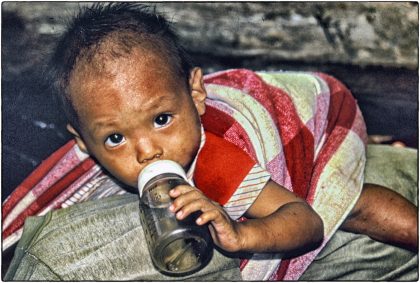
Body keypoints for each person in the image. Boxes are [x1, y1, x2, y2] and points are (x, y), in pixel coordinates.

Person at [4, 3, 418, 281]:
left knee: (345, 202)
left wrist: (241, 234)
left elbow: (306, 222)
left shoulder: (220, 163)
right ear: (83, 143)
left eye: (161, 119)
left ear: (196, 94)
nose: (147, 151)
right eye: (115, 138)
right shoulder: (101, 151)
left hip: (303, 111)